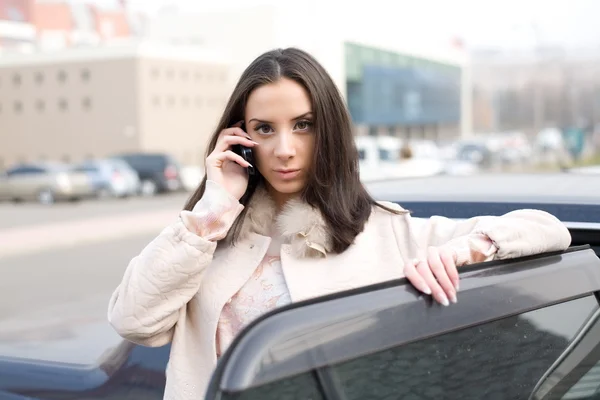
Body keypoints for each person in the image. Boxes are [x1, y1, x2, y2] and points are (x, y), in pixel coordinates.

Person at [108, 48, 571, 400]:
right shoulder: (210, 238)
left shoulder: (386, 231)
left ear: (328, 129)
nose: (284, 149)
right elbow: (133, 320)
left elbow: (548, 227)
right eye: (265, 129)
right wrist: (212, 210)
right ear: (242, 139)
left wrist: (466, 250)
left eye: (303, 125)